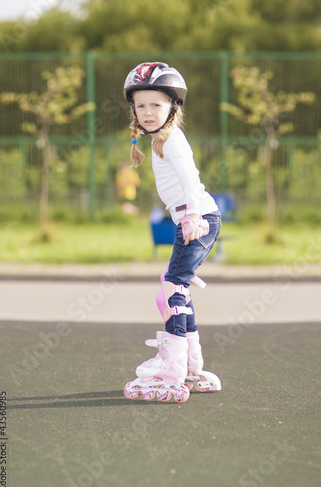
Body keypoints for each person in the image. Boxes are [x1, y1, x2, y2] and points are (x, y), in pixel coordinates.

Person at [123, 62, 222, 403]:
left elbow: (191, 180)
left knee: (172, 288)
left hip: (198, 217)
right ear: (134, 111)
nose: (148, 112)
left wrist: (193, 216)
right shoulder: (158, 140)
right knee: (172, 283)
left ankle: (171, 366)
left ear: (172, 107)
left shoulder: (173, 140)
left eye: (156, 104)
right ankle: (192, 364)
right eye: (141, 105)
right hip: (192, 217)